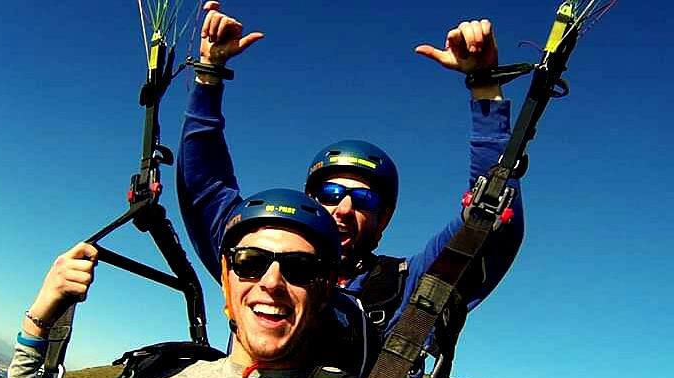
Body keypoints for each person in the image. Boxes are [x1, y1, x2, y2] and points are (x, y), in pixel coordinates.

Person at [177, 3, 524, 345]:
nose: (342, 208)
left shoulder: (402, 291)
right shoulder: (253, 262)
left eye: (363, 199)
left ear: (384, 217)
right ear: (308, 202)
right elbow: (205, 186)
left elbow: (489, 222)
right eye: (328, 195)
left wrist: (484, 87)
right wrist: (210, 73)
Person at [2, 189, 403, 378]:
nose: (272, 282)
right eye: (251, 262)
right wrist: (40, 321)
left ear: (325, 290)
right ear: (227, 280)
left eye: (299, 268)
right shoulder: (158, 375)